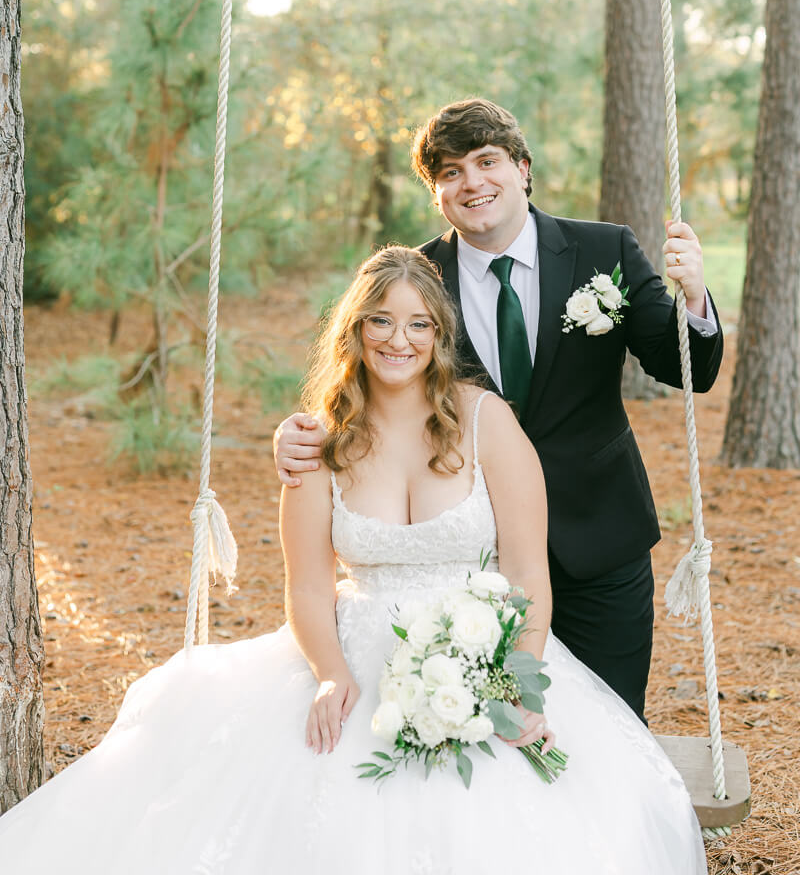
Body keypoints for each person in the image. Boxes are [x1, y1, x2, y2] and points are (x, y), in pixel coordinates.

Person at [0, 246, 706, 873]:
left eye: (418, 325)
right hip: (356, 647)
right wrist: (331, 674)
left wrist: (514, 682)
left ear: (439, 335)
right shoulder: (320, 442)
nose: (399, 341)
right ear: (355, 330)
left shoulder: (488, 422)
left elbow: (527, 576)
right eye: (381, 322)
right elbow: (308, 587)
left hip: (484, 652)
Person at [274, 98, 724, 721]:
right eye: (451, 172)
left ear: (522, 168)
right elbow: (365, 382)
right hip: (469, 561)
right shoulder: (417, 279)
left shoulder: (604, 253)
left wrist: (695, 296)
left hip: (597, 537)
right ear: (437, 193)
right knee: (481, 732)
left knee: (607, 729)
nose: (472, 182)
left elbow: (689, 369)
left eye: (487, 162)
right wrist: (299, 438)